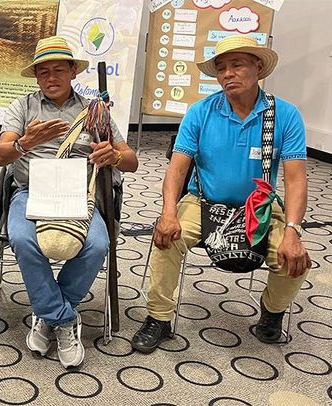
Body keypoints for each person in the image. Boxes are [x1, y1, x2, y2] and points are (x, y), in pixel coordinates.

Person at [131, 35, 311, 354]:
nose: (228, 73)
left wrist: (294, 232)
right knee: (167, 238)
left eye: (237, 65)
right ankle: (158, 318)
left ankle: (271, 313)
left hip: (260, 205)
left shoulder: (284, 115)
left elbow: (295, 180)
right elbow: (176, 169)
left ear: (258, 68)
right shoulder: (201, 112)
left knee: (292, 258)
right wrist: (168, 213)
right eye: (221, 68)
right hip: (201, 200)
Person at [0, 36, 138, 368]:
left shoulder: (93, 110)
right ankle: (62, 317)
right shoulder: (23, 107)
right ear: (36, 77)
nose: (51, 77)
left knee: (98, 244)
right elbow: (1, 156)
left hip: (79, 195)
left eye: (59, 69)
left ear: (73, 71)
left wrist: (113, 154)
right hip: (31, 191)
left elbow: (131, 160)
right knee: (21, 238)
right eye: (43, 72)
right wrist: (24, 144)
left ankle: (48, 315)